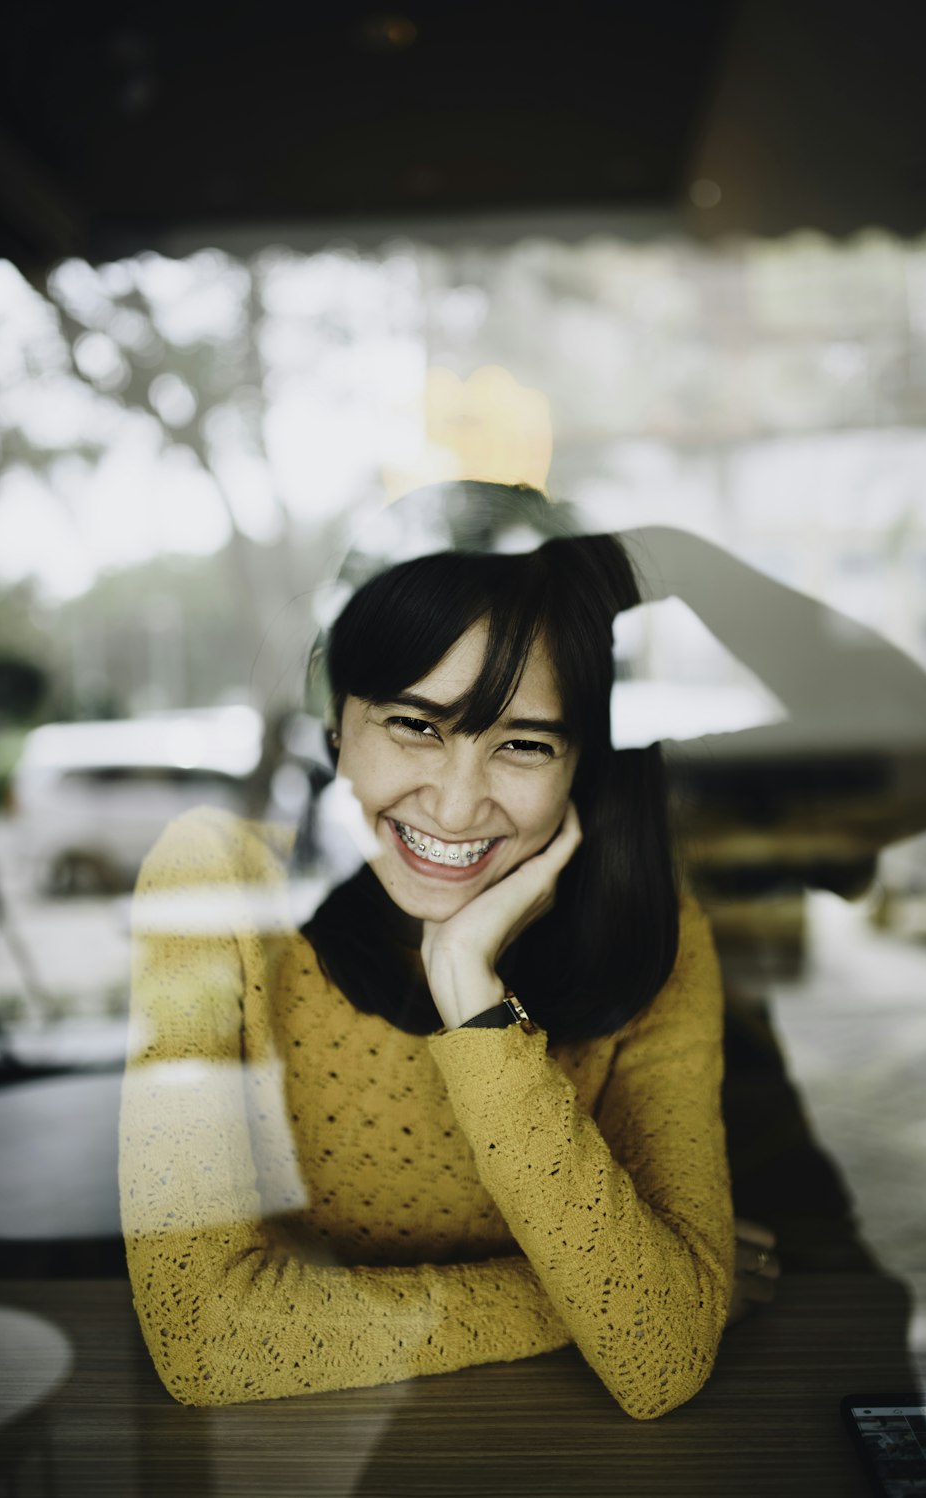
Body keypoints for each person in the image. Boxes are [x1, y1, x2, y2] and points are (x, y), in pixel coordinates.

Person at [119, 481, 764, 1420]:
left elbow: (658, 1361)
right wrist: (593, 1296)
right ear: (338, 724)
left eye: (526, 747)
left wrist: (471, 986)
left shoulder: (652, 930)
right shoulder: (218, 886)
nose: (457, 807)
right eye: (416, 725)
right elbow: (207, 1338)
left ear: (586, 763)